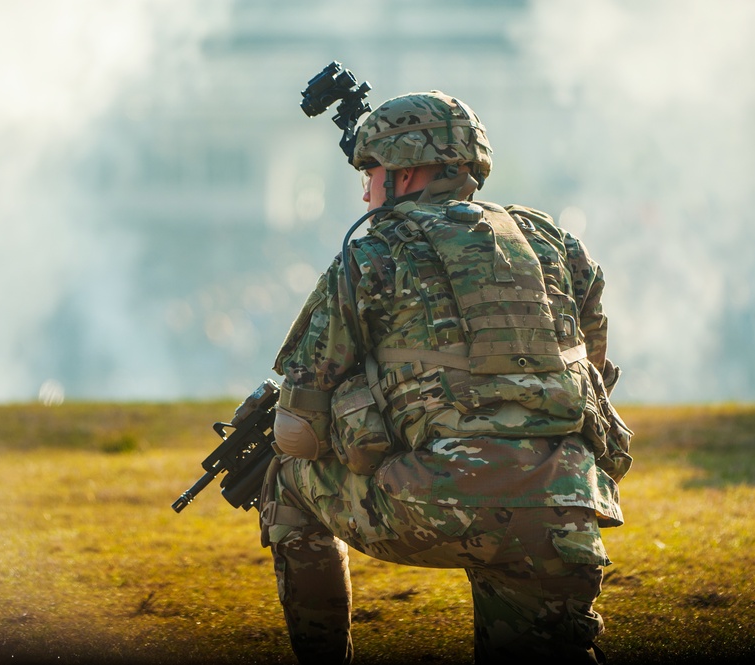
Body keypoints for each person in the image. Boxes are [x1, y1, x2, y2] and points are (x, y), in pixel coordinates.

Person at [261, 90, 632, 664]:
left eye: (371, 170)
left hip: (435, 507)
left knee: (285, 473)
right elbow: (595, 372)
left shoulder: (369, 255)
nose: (365, 188)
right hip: (565, 512)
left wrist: (365, 418)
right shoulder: (555, 244)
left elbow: (297, 430)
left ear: (405, 172)